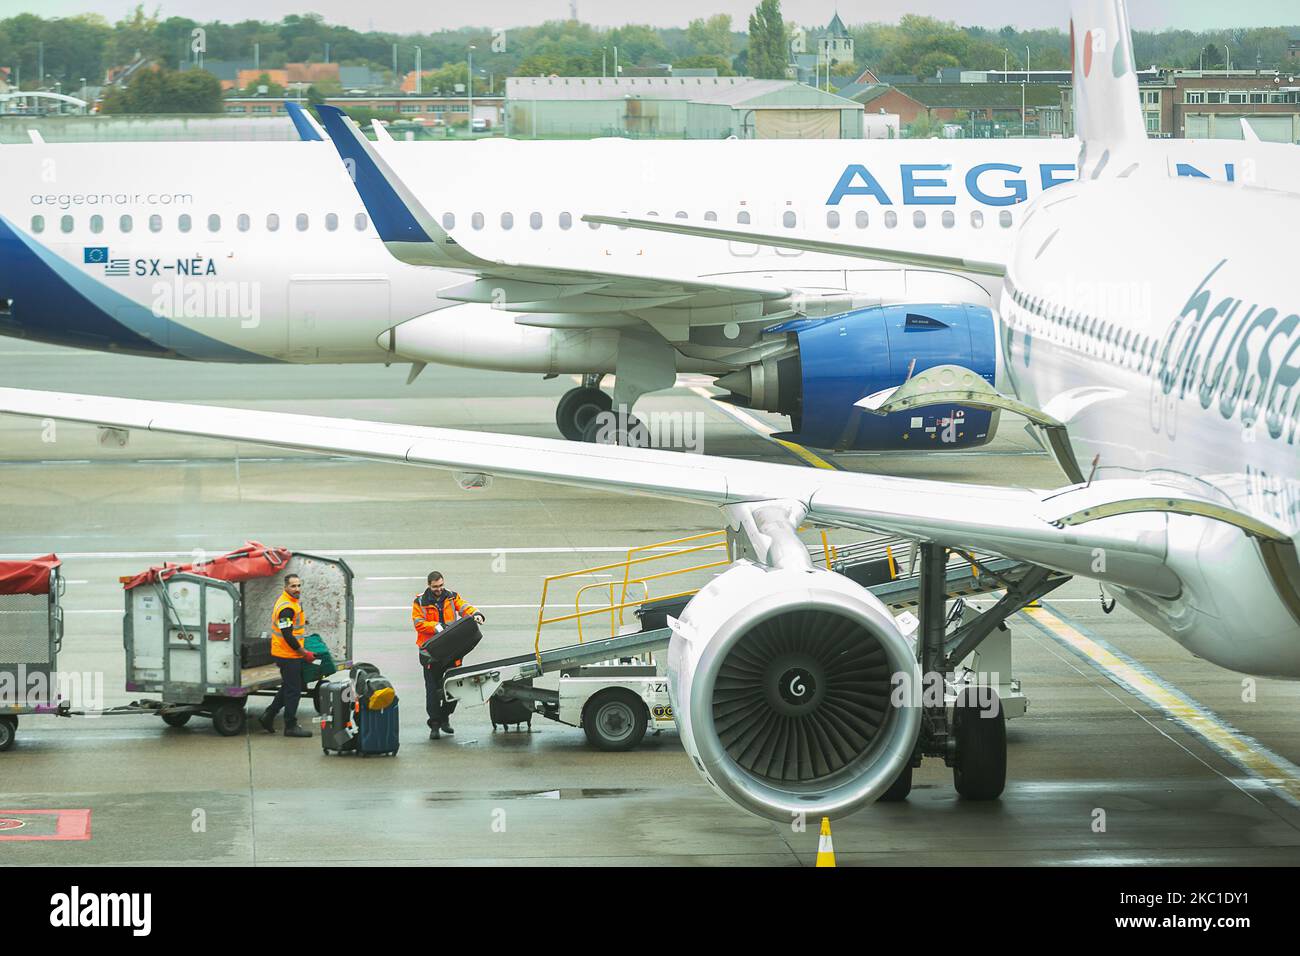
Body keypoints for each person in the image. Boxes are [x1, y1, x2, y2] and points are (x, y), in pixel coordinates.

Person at [412, 571, 484, 740]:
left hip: (451, 651)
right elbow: (418, 623)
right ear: (429, 585)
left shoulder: (451, 596)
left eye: (441, 585)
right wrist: (436, 626)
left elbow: (464, 607)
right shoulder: (420, 601)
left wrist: (476, 614)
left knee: (454, 688)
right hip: (432, 653)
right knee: (432, 691)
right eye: (435, 586)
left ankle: (445, 717)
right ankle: (435, 725)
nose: (439, 589)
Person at [259, 573, 316, 738]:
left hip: (286, 652)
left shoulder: (290, 601)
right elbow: (287, 634)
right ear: (286, 587)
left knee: (288, 687)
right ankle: (290, 726)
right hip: (287, 654)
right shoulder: (287, 608)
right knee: (294, 691)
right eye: (293, 586)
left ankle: (268, 716)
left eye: (298, 585)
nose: (297, 589)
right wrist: (303, 653)